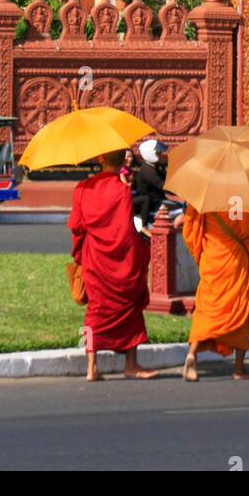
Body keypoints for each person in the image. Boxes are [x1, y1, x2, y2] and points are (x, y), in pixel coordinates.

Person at [68, 149, 157, 382]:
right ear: (123, 162)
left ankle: (92, 368)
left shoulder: (82, 189)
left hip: (95, 260)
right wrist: (141, 249)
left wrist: (80, 253)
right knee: (130, 308)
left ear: (100, 159)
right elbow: (126, 231)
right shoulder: (122, 191)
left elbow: (77, 227)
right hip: (121, 262)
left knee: (94, 311)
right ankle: (131, 365)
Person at [180, 205, 249, 381]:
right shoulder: (237, 198)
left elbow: (190, 232)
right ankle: (238, 369)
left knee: (206, 309)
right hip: (235, 261)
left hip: (212, 259)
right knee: (240, 309)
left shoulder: (201, 200)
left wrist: (200, 252)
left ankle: (192, 354)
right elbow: (245, 232)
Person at [131, 138, 169, 233]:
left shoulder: (153, 167)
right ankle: (144, 226)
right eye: (158, 153)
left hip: (158, 200)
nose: (160, 155)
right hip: (153, 203)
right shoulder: (147, 170)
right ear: (151, 153)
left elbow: (166, 178)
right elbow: (163, 185)